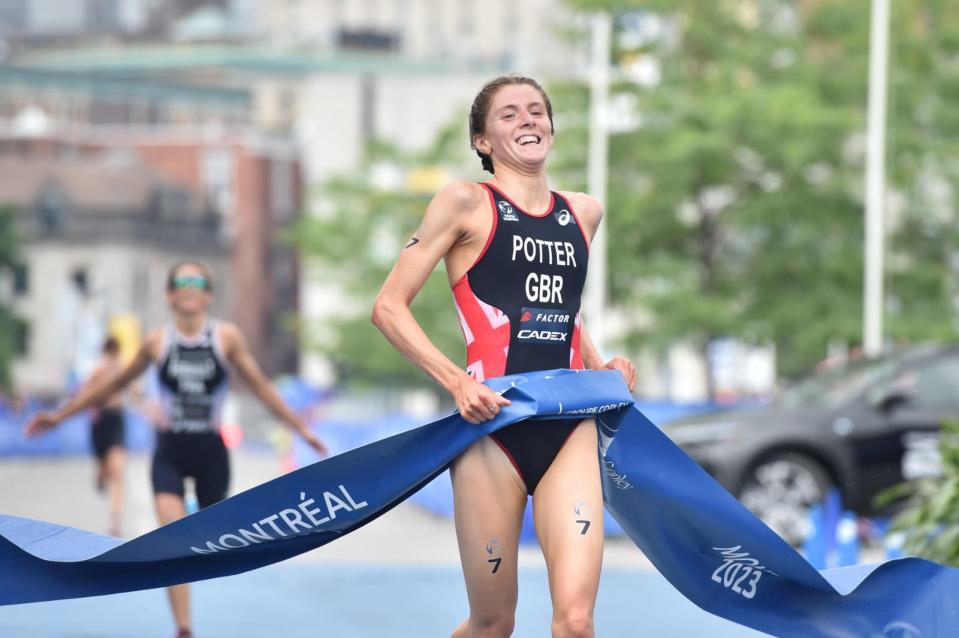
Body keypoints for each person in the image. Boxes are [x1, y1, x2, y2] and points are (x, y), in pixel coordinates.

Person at [371, 75, 637, 638]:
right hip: (492, 427)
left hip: (567, 427)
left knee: (577, 621)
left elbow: (564, 311)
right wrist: (455, 383)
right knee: (493, 624)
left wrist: (601, 366)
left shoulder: (583, 213)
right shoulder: (464, 202)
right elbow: (389, 308)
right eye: (510, 114)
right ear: (483, 140)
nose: (529, 121)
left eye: (537, 111)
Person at [25, 260, 327, 638]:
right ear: (170, 294)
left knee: (212, 540)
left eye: (197, 282)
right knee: (170, 541)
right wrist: (59, 415)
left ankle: (200, 538)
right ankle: (183, 628)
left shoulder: (226, 338)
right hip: (169, 451)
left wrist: (300, 428)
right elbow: (109, 386)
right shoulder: (157, 342)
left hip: (211, 453)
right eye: (181, 282)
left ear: (208, 295)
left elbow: (262, 387)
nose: (189, 287)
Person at [85, 335, 127, 537]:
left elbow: (135, 390)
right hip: (100, 421)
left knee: (117, 472)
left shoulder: (122, 370)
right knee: (105, 470)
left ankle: (115, 523)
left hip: (116, 420)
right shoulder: (98, 369)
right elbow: (84, 392)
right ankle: (100, 474)